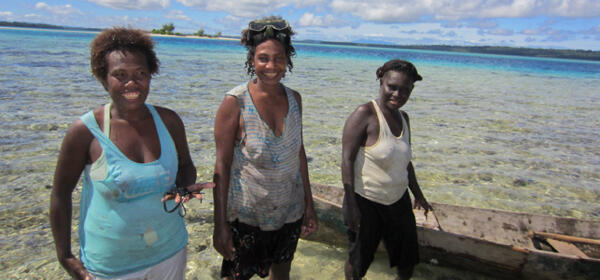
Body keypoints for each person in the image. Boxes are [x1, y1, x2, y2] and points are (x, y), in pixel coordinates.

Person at [49, 27, 213, 280]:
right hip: (111, 265)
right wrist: (65, 256)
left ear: (151, 75)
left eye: (141, 73)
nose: (132, 82)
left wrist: (182, 189)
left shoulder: (169, 121)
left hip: (170, 250)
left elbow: (185, 165)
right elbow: (60, 194)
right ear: (103, 79)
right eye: (120, 75)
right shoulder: (85, 131)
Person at [212, 16, 318, 280]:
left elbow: (299, 153)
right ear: (251, 60)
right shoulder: (235, 102)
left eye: (279, 58)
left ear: (288, 59)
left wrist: (309, 205)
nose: (271, 66)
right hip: (247, 217)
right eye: (263, 58)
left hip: (289, 212)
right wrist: (220, 225)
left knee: (281, 275)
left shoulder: (295, 99)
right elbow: (221, 166)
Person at [341, 59, 432, 280]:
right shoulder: (365, 114)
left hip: (398, 200)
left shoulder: (404, 118)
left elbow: (405, 162)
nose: (398, 94)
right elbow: (346, 160)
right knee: (358, 261)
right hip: (366, 201)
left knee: (407, 260)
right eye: (392, 87)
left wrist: (418, 195)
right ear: (381, 81)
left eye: (405, 90)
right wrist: (352, 206)